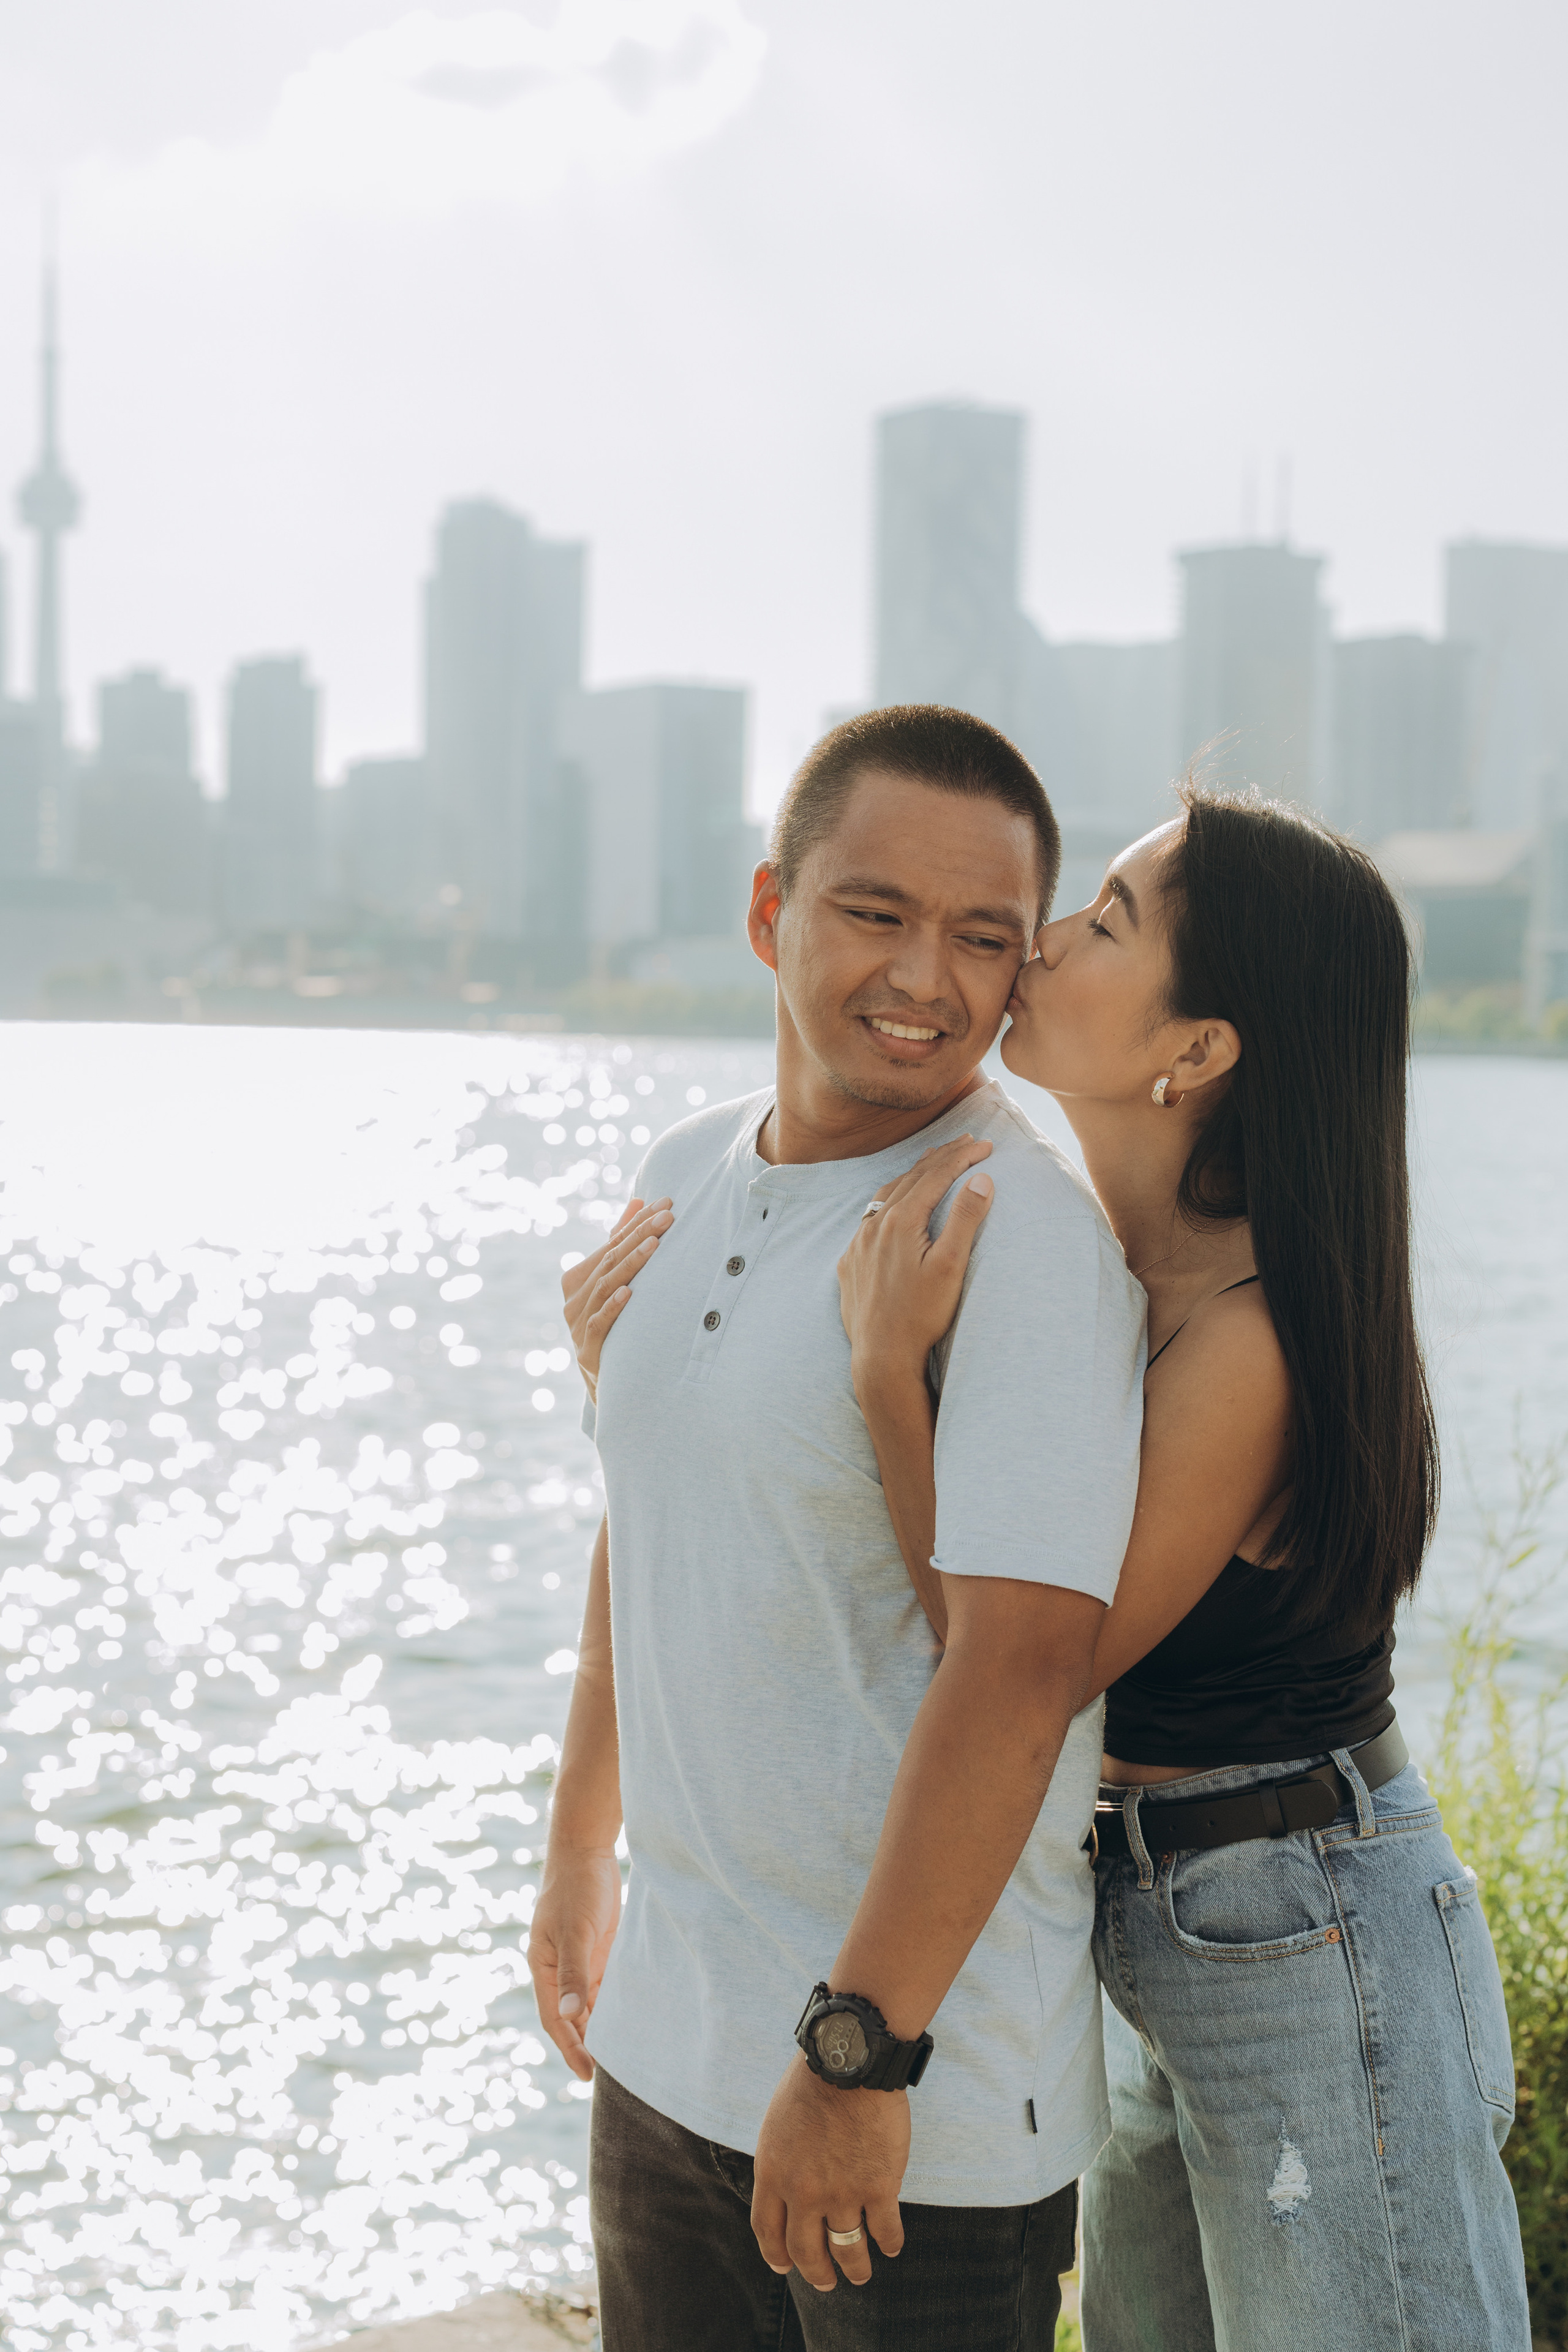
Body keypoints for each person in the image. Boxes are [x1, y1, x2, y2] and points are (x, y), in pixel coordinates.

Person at [836, 782, 1531, 2350]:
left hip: (1299, 1922)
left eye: (1107, 922)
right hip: (1168, 1914)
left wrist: (890, 1381)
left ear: (1197, 1050)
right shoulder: (1104, 1268)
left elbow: (1021, 1665)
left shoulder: (1245, 1339)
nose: (1044, 942)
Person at [528, 705, 1147, 2350]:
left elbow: (1020, 1677)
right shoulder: (680, 1173)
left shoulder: (1012, 1231)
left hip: (903, 2111)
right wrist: (576, 1845)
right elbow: (642, 1526)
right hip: (672, 2053)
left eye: (983, 938)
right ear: (767, 914)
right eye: (876, 913)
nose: (927, 981)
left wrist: (857, 2052)